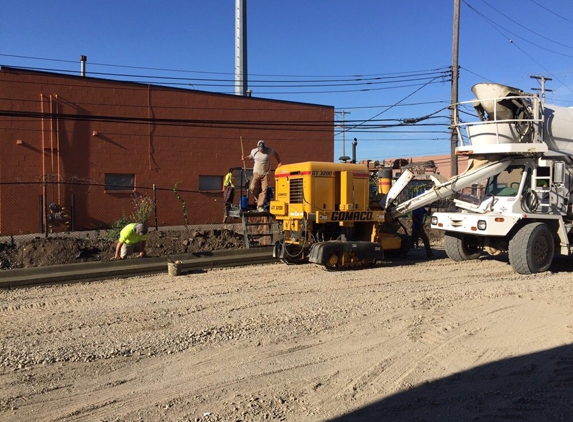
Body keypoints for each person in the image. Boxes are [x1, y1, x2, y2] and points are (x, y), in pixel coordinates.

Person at [243, 140, 282, 212]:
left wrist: (279, 162)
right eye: (261, 149)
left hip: (265, 174)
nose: (262, 150)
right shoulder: (254, 151)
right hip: (256, 173)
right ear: (258, 147)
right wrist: (245, 158)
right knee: (252, 188)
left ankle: (259, 206)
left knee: (264, 190)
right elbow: (250, 156)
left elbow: (276, 154)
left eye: (263, 149)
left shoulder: (269, 150)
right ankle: (258, 198)